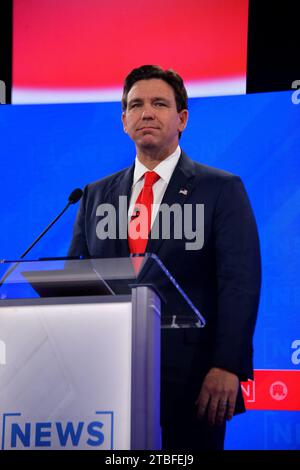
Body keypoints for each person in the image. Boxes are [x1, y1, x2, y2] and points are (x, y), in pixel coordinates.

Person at [68, 65, 261, 450]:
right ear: (124, 120)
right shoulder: (93, 195)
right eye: (136, 105)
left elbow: (239, 281)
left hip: (193, 381)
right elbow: (75, 283)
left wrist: (226, 365)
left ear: (182, 118)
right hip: (107, 379)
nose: (147, 113)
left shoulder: (221, 189)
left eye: (159, 103)